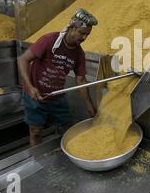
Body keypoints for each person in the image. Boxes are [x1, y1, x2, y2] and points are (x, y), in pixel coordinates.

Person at [18, 8, 97, 147]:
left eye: (87, 35)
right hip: (34, 96)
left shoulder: (79, 54)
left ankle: (69, 154)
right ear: (72, 27)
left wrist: (89, 105)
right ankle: (38, 160)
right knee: (36, 131)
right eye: (82, 33)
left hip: (56, 96)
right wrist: (30, 87)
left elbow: (81, 80)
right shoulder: (49, 40)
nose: (84, 38)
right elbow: (23, 60)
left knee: (68, 129)